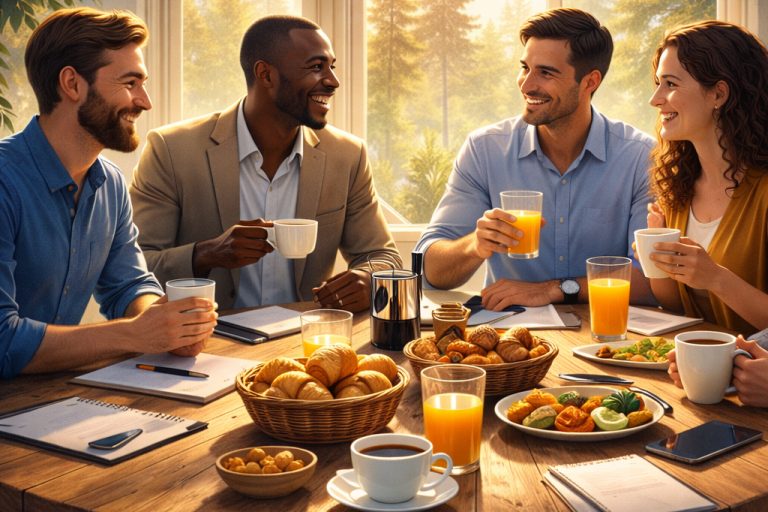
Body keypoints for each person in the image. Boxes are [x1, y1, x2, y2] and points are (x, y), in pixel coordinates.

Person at [130, 15, 401, 313]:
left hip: (307, 335)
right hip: (208, 335)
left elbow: (383, 257)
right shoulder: (171, 150)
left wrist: (368, 279)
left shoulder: (348, 155)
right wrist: (206, 254)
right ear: (265, 74)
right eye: (316, 67)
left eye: (331, 67)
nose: (333, 82)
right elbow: (134, 269)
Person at [0, 8, 217, 379]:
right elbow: (3, 340)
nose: (145, 101)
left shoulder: (111, 183)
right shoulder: (5, 182)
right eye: (130, 83)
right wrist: (135, 334)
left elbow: (128, 285)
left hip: (58, 393)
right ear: (72, 84)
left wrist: (162, 324)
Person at [415, 8, 654, 310]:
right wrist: (475, 244)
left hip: (604, 329)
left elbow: (651, 280)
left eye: (546, 72)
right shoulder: (484, 150)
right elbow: (428, 271)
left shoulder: (640, 157)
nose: (526, 85)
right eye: (524, 68)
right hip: (509, 331)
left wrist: (554, 290)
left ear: (590, 82)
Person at [641, 21, 768, 406]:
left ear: (718, 94)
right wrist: (657, 258)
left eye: (670, 84)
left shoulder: (763, 191)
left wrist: (715, 276)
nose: (656, 99)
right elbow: (677, 307)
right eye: (658, 83)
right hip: (705, 390)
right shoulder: (678, 189)